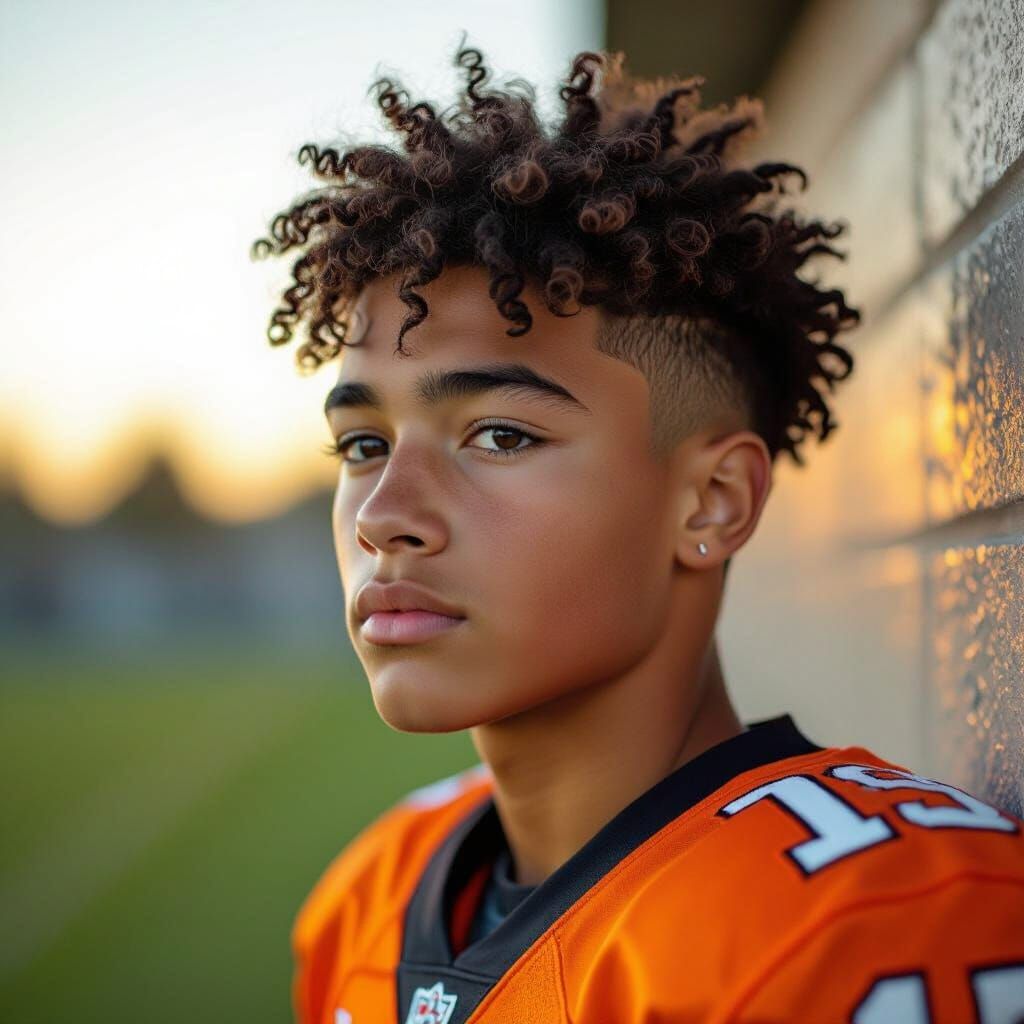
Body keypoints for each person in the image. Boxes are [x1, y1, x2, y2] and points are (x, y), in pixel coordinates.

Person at [251, 36, 1024, 1024]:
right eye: (362, 445)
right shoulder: (370, 893)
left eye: (497, 434)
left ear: (710, 502)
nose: (386, 517)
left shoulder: (878, 925)